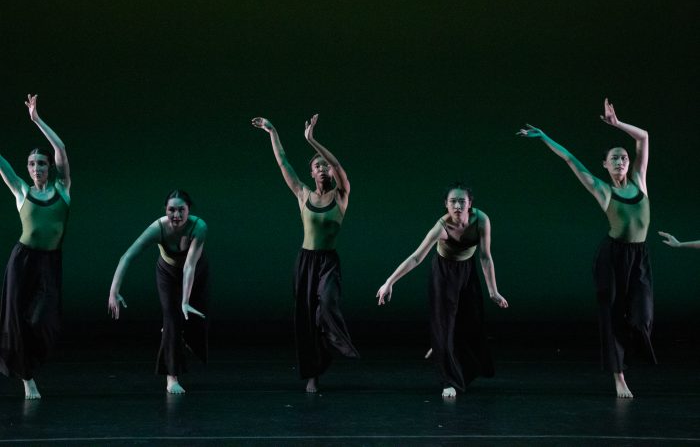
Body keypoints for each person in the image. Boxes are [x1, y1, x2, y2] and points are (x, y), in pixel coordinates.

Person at [518, 98, 654, 398]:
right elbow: (569, 159)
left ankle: (628, 354)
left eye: (623, 157)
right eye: (614, 159)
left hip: (639, 257)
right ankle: (619, 377)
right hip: (612, 257)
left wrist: (617, 125)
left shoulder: (640, 182)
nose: (620, 161)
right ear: (605, 165)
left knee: (641, 318)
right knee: (611, 315)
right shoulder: (602, 190)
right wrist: (544, 137)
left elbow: (643, 137)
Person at [251, 114, 359, 393]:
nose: (322, 167)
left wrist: (311, 140)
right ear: (311, 173)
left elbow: (337, 164)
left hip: (328, 262)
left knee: (326, 306)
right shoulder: (302, 194)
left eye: (325, 165)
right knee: (306, 320)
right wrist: (272, 131)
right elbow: (283, 163)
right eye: (316, 166)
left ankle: (335, 341)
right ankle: (313, 375)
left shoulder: (342, 194)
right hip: (305, 262)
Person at [376, 183, 508, 398]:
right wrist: (389, 282)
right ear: (446, 205)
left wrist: (493, 291)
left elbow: (485, 256)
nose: (457, 205)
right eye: (452, 202)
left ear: (470, 204)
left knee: (470, 322)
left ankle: (447, 352)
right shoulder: (441, 227)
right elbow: (417, 257)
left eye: (462, 201)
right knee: (444, 324)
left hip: (467, 272)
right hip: (444, 275)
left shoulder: (481, 220)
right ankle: (447, 378)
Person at [0, 95, 71, 399]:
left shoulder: (62, 188)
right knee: (15, 316)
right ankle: (27, 378)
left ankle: (29, 365)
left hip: (49, 262)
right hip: (22, 260)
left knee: (44, 319)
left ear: (48, 167)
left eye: (41, 163)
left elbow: (61, 149)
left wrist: (36, 119)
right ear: (27, 169)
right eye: (31, 164)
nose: (37, 167)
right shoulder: (20, 191)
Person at [108, 190, 208, 394]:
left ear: (189, 210)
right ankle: (172, 378)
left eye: (182, 210)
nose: (177, 215)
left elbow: (189, 266)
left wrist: (185, 301)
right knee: (171, 320)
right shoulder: (158, 228)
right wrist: (114, 291)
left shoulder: (199, 227)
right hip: (167, 274)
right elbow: (127, 256)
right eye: (172, 210)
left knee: (196, 323)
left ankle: (176, 332)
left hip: (196, 272)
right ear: (166, 210)